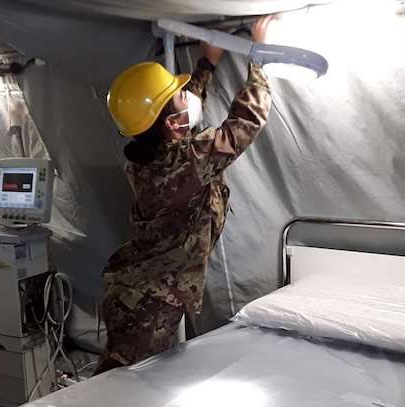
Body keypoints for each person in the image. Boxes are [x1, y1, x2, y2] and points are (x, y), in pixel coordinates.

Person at [96, 15, 274, 374]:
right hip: (148, 304)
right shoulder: (186, 161)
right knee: (118, 386)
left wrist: (207, 61)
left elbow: (179, 112)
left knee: (130, 381)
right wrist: (260, 58)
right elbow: (246, 122)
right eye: (179, 94)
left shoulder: (151, 154)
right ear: (169, 124)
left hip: (135, 290)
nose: (186, 94)